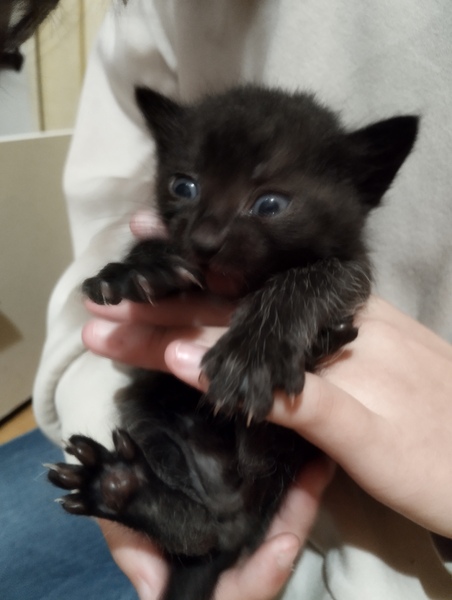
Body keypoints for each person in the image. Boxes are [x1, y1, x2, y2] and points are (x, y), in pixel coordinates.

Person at [32, 1, 452, 598]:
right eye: (185, 188)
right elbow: (117, 279)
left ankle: (187, 523)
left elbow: (341, 274)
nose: (204, 235)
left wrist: (278, 322)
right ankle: (173, 516)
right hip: (169, 448)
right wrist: (142, 270)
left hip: (311, 506)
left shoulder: (332, 267)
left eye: (268, 203)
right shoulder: (149, 18)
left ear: (360, 187)